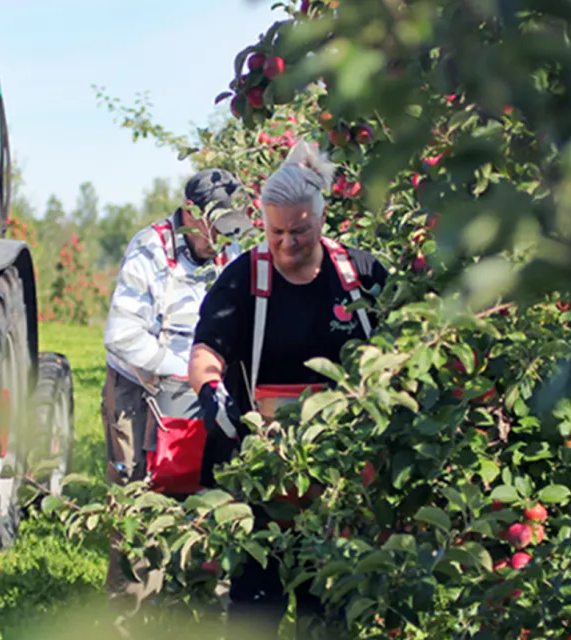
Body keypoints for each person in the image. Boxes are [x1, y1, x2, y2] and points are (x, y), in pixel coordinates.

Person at [187, 141, 390, 635]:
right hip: (263, 471)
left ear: (321, 220)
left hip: (342, 474)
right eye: (275, 231)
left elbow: (397, 358)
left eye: (299, 230)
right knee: (256, 604)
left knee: (331, 606)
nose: (286, 243)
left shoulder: (360, 277)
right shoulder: (244, 279)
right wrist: (213, 392)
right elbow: (204, 353)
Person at [101, 168, 252, 607]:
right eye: (214, 228)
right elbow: (122, 335)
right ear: (190, 215)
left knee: (214, 497)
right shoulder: (150, 249)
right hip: (142, 392)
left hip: (206, 389)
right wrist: (186, 371)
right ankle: (131, 616)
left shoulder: (229, 249)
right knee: (138, 502)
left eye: (229, 228)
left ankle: (203, 611)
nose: (222, 239)